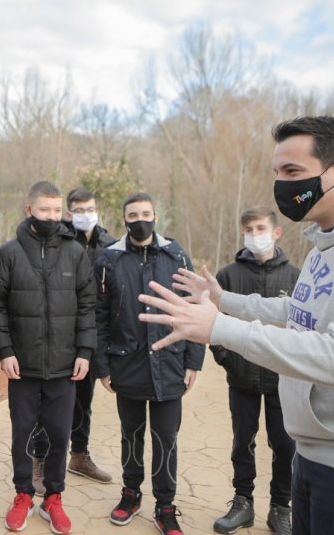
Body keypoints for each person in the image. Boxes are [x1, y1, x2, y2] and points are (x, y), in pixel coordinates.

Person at [140, 116, 334, 535]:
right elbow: (297, 313)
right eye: (277, 172)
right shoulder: (326, 243)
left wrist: (219, 327)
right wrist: (225, 301)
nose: (282, 185)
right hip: (317, 458)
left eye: (293, 172)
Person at [0, 181, 96, 535]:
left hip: (65, 366)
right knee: (22, 434)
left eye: (55, 210)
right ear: (28, 209)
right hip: (23, 366)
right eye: (43, 209)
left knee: (60, 434)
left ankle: (53, 498)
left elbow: (87, 305)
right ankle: (22, 494)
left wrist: (84, 351)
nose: (50, 216)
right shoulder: (8, 253)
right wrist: (4, 351)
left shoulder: (75, 253)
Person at [94, 192, 204, 535]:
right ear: (124, 218)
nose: (139, 218)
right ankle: (130, 494)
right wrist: (103, 366)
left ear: (156, 215)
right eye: (132, 214)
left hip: (170, 364)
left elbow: (194, 309)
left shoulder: (177, 254)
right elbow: (98, 316)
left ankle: (166, 505)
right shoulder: (108, 259)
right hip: (126, 365)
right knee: (131, 435)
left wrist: (194, 361)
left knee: (166, 438)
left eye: (145, 213)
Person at [211, 207, 299, 535]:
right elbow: (213, 321)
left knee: (285, 445)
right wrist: (229, 359)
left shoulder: (297, 277)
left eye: (260, 228)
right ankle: (243, 502)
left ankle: (280, 507)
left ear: (276, 232)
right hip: (242, 378)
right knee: (242, 441)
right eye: (248, 229)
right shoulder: (228, 276)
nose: (254, 234)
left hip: (284, 380)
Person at [30, 187, 116, 492]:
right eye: (78, 211)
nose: (85, 215)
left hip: (91, 334)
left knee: (83, 402)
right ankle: (38, 459)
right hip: (58, 335)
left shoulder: (110, 245)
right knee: (49, 402)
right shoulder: (59, 240)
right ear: (69, 213)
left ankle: (79, 455)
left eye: (90, 209)